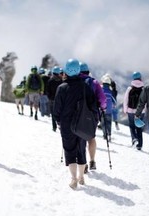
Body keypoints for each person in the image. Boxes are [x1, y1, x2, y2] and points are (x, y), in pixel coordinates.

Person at [54, 59, 97, 190]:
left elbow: (57, 109)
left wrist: (58, 122)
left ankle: (74, 179)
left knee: (69, 150)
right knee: (81, 150)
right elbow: (93, 106)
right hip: (82, 125)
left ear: (66, 71)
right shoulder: (86, 87)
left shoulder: (61, 88)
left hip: (66, 125)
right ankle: (81, 177)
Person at [79, 62, 106, 172]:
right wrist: (102, 108)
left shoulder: (75, 82)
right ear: (87, 71)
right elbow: (103, 100)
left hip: (78, 114)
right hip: (92, 115)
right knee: (91, 137)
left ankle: (83, 163)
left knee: (80, 138)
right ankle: (92, 161)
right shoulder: (94, 82)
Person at [123, 71, 145, 150]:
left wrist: (125, 110)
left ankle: (134, 139)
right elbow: (145, 101)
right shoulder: (143, 89)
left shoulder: (130, 88)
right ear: (140, 78)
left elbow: (126, 100)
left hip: (130, 111)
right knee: (139, 127)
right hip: (141, 111)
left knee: (132, 126)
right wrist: (144, 110)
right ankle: (140, 145)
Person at [47, 66, 63, 131]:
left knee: (53, 114)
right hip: (60, 100)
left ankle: (54, 127)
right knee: (60, 113)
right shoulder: (61, 81)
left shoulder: (50, 80)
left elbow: (48, 91)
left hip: (52, 100)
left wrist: (50, 98)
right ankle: (60, 126)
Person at [101, 75, 116, 141]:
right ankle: (109, 134)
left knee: (103, 123)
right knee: (109, 123)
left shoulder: (101, 90)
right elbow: (114, 101)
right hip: (109, 110)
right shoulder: (110, 91)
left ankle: (105, 135)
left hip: (102, 109)